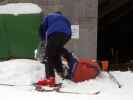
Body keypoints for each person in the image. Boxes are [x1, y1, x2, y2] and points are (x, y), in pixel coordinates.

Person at [36, 12, 78, 86]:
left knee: (48, 55)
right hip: (66, 35)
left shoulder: (49, 16)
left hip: (54, 33)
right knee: (56, 51)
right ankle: (61, 70)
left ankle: (50, 78)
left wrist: (43, 39)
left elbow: (41, 28)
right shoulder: (64, 18)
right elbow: (70, 31)